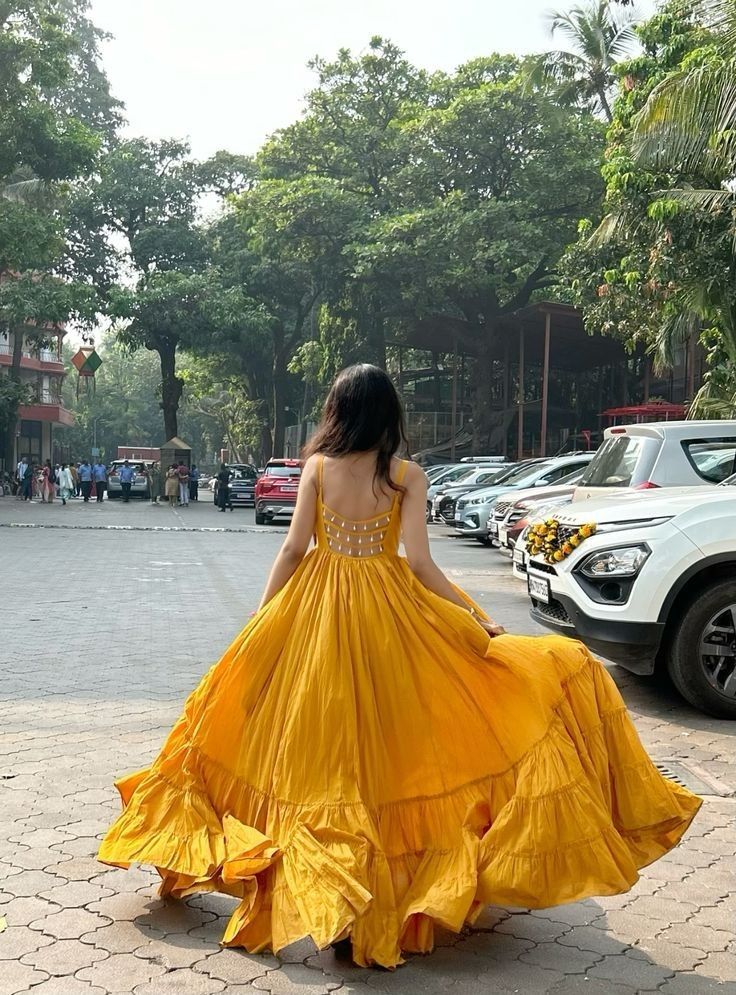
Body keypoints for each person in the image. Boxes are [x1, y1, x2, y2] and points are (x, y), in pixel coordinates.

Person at [98, 364, 701, 970]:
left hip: (318, 611)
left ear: (337, 411)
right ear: (389, 415)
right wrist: (473, 615)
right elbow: (420, 566)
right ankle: (378, 891)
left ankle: (330, 892)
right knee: (394, 745)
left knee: (324, 750)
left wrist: (262, 621)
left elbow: (293, 548)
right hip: (392, 616)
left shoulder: (316, 468)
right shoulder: (406, 475)